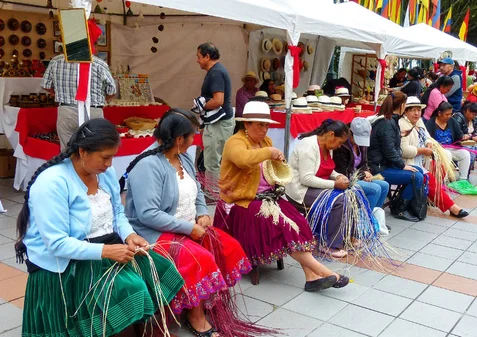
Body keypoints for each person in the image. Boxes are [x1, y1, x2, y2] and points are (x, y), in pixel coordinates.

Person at [15, 119, 183, 337]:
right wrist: (105, 251)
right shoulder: (52, 183)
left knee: (159, 270)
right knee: (128, 290)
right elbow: (57, 244)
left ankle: (146, 331)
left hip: (104, 247)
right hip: (65, 263)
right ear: (83, 151)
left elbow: (117, 213)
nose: (110, 164)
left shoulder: (104, 174)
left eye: (112, 156)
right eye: (105, 157)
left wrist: (129, 235)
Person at [122, 109, 265, 337]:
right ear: (179, 139)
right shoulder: (148, 165)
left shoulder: (183, 157)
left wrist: (201, 213)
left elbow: (197, 189)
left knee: (228, 247)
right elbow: (148, 214)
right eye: (192, 136)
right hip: (153, 232)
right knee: (199, 259)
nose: (194, 140)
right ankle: (195, 315)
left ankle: (203, 302)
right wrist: (189, 228)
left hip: (188, 224)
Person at [214, 102, 349, 289]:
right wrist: (269, 153)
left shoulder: (265, 142)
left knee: (298, 221)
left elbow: (272, 170)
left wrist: (279, 168)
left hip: (268, 197)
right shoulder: (235, 142)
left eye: (267, 125)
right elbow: (243, 160)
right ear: (246, 124)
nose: (264, 129)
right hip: (242, 201)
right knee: (283, 226)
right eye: (260, 125)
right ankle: (324, 271)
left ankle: (310, 276)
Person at [287, 119, 380, 257]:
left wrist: (338, 176)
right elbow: (306, 179)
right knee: (340, 199)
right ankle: (330, 244)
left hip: (316, 186)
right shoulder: (308, 147)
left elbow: (328, 170)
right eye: (340, 142)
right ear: (331, 135)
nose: (339, 146)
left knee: (352, 194)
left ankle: (349, 235)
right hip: (300, 190)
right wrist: (334, 184)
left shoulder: (327, 146)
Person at [42, 20, 116, 151]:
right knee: (94, 152)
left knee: (67, 152)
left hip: (67, 111)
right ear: (91, 43)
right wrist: (101, 98)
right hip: (93, 111)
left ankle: (69, 171)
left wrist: (59, 93)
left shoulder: (56, 61)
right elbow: (112, 91)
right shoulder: (100, 64)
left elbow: (46, 85)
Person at [399, 97, 469, 218]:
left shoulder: (419, 122)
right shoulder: (402, 124)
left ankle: (429, 197)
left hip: (421, 161)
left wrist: (428, 143)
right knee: (428, 178)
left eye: (418, 110)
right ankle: (451, 207)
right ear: (405, 111)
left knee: (440, 168)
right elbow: (404, 150)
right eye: (413, 110)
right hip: (408, 163)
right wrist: (422, 150)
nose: (416, 113)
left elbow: (426, 136)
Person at [368, 92, 425, 222]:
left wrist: (398, 136)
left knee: (418, 171)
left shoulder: (389, 121)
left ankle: (402, 203)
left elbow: (388, 145)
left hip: (384, 164)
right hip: (378, 168)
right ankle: (399, 209)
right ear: (402, 105)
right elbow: (389, 151)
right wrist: (403, 165)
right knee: (416, 176)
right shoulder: (386, 123)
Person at [193, 42, 235, 181]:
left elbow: (218, 100)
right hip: (220, 122)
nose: (197, 60)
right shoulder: (216, 70)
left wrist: (201, 105)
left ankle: (213, 195)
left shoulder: (216, 73)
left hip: (219, 123)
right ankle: (216, 193)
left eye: (199, 57)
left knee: (212, 161)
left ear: (207, 56)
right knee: (216, 159)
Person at [333, 118, 390, 211]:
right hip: (347, 179)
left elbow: (364, 163)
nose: (358, 143)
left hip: (358, 176)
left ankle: (375, 218)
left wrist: (367, 172)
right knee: (375, 189)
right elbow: (343, 172)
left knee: (384, 185)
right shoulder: (341, 146)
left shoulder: (361, 145)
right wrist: (363, 175)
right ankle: (366, 221)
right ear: (349, 132)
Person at [425, 102, 472, 181]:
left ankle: (463, 179)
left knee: (465, 154)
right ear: (439, 113)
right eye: (447, 114)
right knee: (447, 154)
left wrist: (463, 137)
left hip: (451, 148)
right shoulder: (431, 123)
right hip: (437, 150)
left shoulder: (451, 121)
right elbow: (427, 139)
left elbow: (459, 134)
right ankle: (444, 180)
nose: (449, 116)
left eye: (450, 114)